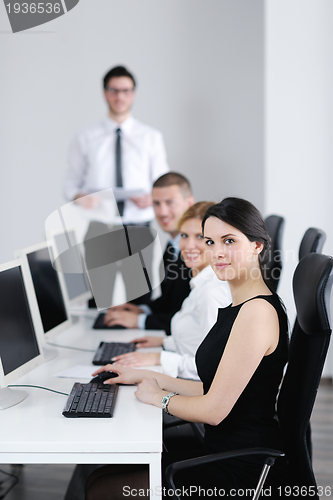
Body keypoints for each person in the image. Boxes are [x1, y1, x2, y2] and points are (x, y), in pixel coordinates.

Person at [86, 197, 289, 499]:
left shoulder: (256, 313)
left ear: (257, 245)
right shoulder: (239, 304)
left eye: (229, 240)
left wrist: (160, 397)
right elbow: (212, 388)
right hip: (221, 447)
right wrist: (142, 376)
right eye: (211, 241)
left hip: (237, 468)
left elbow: (214, 410)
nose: (217, 252)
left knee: (103, 488)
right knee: (100, 476)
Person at [63, 65, 169, 306]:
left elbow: (163, 183)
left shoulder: (151, 137)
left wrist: (152, 198)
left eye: (126, 90)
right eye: (114, 90)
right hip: (101, 228)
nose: (120, 96)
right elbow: (70, 182)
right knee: (100, 300)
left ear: (133, 93)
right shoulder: (86, 137)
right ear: (104, 93)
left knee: (139, 300)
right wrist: (79, 195)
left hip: (139, 229)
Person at [111, 202, 232, 381]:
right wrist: (167, 343)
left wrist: (158, 358)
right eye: (184, 235)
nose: (189, 245)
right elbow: (200, 342)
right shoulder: (200, 284)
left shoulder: (211, 293)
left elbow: (216, 368)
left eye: (199, 236)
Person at [103, 172, 195, 335]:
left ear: (189, 203)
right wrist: (142, 309)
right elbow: (171, 301)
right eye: (156, 203)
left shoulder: (198, 252)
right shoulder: (172, 246)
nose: (162, 212)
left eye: (170, 202)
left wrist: (138, 321)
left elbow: (190, 318)